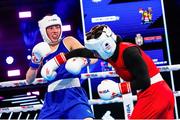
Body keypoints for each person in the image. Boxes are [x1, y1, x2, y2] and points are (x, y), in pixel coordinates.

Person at [41, 24, 175, 119]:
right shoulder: (108, 54)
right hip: (156, 94)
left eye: (96, 51)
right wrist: (58, 60)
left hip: (154, 94)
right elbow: (83, 52)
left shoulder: (129, 52)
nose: (95, 54)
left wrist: (117, 88)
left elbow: (144, 81)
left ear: (105, 45)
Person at [25, 14, 95, 119]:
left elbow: (93, 56)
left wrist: (81, 61)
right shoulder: (41, 49)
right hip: (52, 100)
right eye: (51, 28)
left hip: (74, 95)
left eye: (57, 27)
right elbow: (29, 80)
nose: (55, 31)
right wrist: (35, 62)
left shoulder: (68, 41)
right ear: (44, 31)